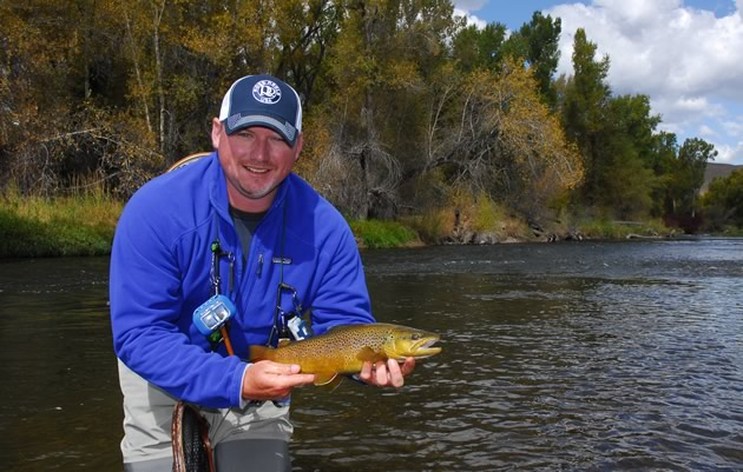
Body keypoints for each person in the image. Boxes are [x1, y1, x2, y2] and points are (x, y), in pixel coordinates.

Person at [109, 74, 416, 471]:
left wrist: (367, 366)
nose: (260, 153)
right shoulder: (154, 211)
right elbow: (140, 334)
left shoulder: (326, 229)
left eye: (277, 139)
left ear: (299, 146)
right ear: (217, 133)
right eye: (246, 134)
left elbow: (344, 324)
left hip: (266, 382)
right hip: (162, 372)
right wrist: (234, 380)